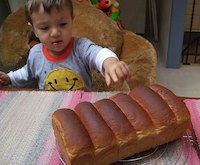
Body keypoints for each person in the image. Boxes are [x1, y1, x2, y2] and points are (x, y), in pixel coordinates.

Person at [0, 0, 131, 91]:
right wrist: (10, 78)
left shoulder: (80, 47)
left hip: (80, 106)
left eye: (62, 24)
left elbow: (99, 54)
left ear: (71, 20)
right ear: (33, 29)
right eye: (45, 27)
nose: (56, 32)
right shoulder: (35, 54)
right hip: (49, 107)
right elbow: (26, 73)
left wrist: (110, 63)